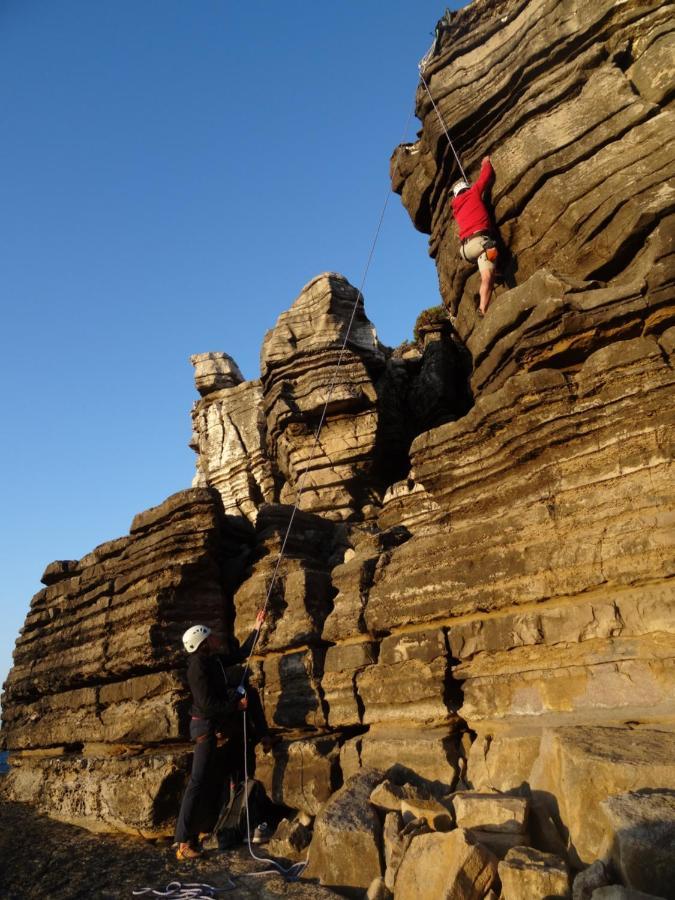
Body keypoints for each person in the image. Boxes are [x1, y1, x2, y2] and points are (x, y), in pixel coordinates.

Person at [174, 610, 268, 860]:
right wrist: (235, 706)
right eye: (210, 637)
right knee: (197, 784)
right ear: (202, 644)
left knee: (215, 779)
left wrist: (257, 627)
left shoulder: (212, 660)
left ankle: (210, 828)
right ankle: (183, 842)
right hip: (205, 729)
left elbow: (240, 655)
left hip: (214, 726)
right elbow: (207, 705)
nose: (215, 639)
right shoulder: (197, 668)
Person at [451, 156, 498, 316]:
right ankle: (483, 308)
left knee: (487, 264)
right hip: (481, 242)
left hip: (466, 250)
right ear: (467, 189)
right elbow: (486, 176)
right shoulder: (473, 192)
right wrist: (485, 162)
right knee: (487, 277)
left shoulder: (455, 208)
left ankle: (493, 270)